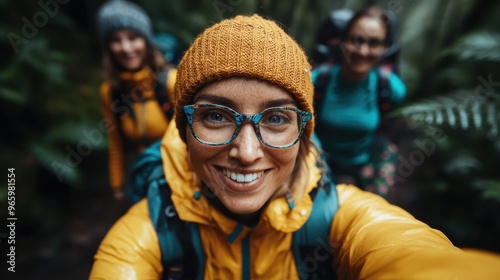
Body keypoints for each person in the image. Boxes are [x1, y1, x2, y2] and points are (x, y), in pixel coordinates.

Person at [89, 14, 500, 279]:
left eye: (276, 118)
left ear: (304, 132)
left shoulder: (339, 215)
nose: (247, 152)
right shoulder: (151, 228)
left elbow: (410, 256)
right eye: (216, 116)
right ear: (183, 128)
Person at [312, 6, 405, 198]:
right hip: (317, 158)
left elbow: (390, 127)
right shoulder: (316, 81)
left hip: (367, 161)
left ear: (384, 48)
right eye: (356, 40)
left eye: (374, 43)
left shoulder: (391, 89)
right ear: (342, 42)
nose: (363, 51)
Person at [96, 0, 176, 200]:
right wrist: (117, 186)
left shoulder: (171, 82)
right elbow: (116, 144)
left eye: (133, 38)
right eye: (116, 40)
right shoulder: (111, 92)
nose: (126, 47)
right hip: (142, 178)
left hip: (179, 177)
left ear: (147, 41)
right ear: (108, 46)